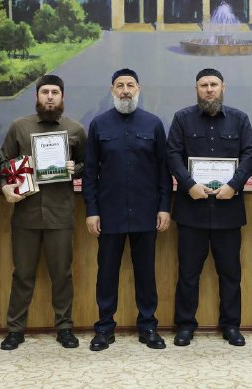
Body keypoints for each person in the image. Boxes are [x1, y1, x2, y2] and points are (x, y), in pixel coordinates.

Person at [82, 69, 172, 352]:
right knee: (106, 273)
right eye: (119, 86)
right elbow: (90, 173)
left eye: (130, 85)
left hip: (146, 213)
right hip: (109, 214)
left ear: (138, 89)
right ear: (112, 90)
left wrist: (164, 208)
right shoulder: (99, 125)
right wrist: (92, 210)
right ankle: (104, 328)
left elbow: (163, 170)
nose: (125, 90)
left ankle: (148, 327)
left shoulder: (153, 124)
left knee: (146, 273)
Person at [167, 68, 252, 347]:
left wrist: (234, 184)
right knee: (188, 274)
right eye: (203, 85)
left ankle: (231, 325)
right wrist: (188, 184)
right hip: (191, 209)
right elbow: (172, 154)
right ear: (196, 89)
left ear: (223, 87)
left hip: (228, 210)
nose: (209, 89)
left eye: (213, 84)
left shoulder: (240, 119)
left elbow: (249, 155)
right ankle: (185, 325)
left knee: (230, 274)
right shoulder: (182, 119)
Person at [0, 75, 86, 351]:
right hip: (26, 213)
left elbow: (88, 164)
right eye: (44, 92)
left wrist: (75, 168)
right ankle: (15, 330)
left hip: (60, 214)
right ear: (36, 96)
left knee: (62, 275)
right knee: (22, 275)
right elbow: (3, 163)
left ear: (62, 97)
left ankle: (65, 328)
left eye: (55, 92)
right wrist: (7, 184)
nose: (49, 96)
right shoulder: (19, 127)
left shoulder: (76, 129)